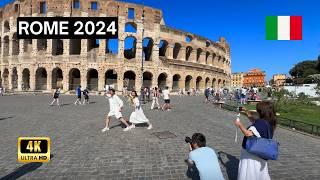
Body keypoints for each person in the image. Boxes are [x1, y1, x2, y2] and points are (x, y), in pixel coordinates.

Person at [234, 101, 277, 180]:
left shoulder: (261, 123)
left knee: (249, 173)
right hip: (262, 152)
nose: (256, 112)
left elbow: (248, 134)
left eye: (258, 110)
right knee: (260, 174)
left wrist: (239, 125)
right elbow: (255, 122)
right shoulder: (269, 121)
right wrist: (247, 112)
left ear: (262, 112)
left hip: (252, 154)